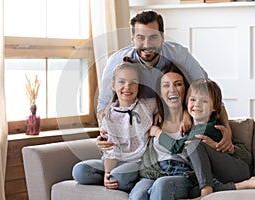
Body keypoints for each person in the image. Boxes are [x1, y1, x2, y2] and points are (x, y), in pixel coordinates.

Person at [96, 9, 233, 158]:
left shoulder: (179, 55)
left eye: (153, 37)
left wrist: (227, 131)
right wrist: (103, 133)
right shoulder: (116, 62)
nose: (147, 44)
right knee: (83, 172)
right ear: (132, 39)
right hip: (134, 131)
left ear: (162, 37)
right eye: (140, 38)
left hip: (176, 123)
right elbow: (103, 105)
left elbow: (207, 91)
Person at [149, 78, 255, 200]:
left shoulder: (209, 127)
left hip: (237, 169)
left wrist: (157, 132)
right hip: (222, 175)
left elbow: (175, 147)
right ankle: (244, 185)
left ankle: (206, 192)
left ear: (214, 107)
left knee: (194, 145)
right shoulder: (195, 127)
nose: (197, 104)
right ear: (187, 103)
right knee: (192, 190)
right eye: (193, 100)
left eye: (204, 101)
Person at [72, 59, 157, 192]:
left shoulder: (147, 106)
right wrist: (107, 172)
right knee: (79, 171)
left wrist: (185, 114)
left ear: (138, 86)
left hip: (135, 162)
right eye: (122, 82)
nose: (127, 87)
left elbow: (170, 103)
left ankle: (120, 179)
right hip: (112, 160)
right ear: (113, 85)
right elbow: (110, 150)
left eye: (133, 82)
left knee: (117, 177)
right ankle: (111, 179)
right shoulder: (108, 115)